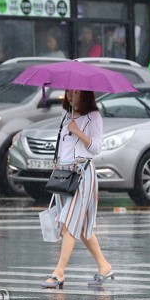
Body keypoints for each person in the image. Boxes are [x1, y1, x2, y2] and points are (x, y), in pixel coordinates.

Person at [41, 90, 113, 289]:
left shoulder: (93, 117)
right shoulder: (66, 115)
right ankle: (104, 266)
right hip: (64, 175)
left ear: (86, 94)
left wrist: (79, 132)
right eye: (68, 92)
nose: (71, 96)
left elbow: (96, 148)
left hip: (82, 175)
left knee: (68, 224)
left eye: (75, 93)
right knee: (82, 228)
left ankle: (59, 272)